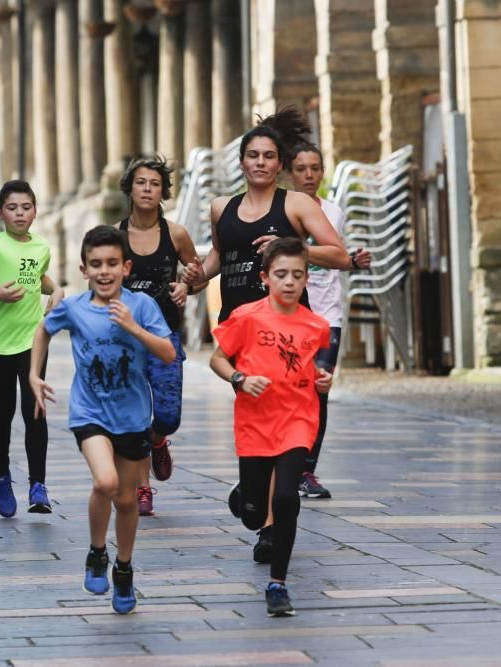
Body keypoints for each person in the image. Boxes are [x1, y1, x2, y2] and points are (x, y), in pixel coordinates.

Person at [181, 106, 350, 564]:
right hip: (243, 326)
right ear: (241, 162)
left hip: (289, 326)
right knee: (257, 420)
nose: (260, 162)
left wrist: (290, 251)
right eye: (252, 155)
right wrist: (193, 280)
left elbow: (338, 254)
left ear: (280, 164)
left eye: (269, 156)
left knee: (284, 419)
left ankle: (270, 529)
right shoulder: (222, 208)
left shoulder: (295, 204)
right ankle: (253, 494)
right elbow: (219, 257)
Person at [30, 225, 175, 615]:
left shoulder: (142, 305)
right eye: (96, 265)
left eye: (112, 263)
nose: (105, 271)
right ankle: (97, 551)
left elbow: (166, 354)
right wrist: (34, 374)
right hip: (89, 412)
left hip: (131, 417)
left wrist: (132, 327)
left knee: (127, 500)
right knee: (105, 482)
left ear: (126, 267)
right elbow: (43, 329)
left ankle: (123, 568)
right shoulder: (74, 307)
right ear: (84, 269)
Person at [209, 237, 333, 616]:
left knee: (285, 502)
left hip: (298, 419)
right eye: (281, 274)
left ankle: (277, 584)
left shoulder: (316, 325)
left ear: (307, 279)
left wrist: (321, 379)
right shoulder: (246, 317)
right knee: (252, 514)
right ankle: (245, 494)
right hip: (255, 423)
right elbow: (217, 360)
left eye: (298, 274)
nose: (290, 282)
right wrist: (240, 379)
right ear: (265, 277)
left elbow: (311, 367)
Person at [0, 180, 63, 517]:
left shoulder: (42, 247)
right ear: (0, 212)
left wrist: (56, 292)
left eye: (26, 207)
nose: (20, 213)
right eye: (13, 208)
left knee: (35, 409)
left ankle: (38, 484)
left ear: (35, 210)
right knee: (2, 412)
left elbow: (37, 277)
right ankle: (1, 474)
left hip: (33, 340)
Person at [116, 156, 202, 516]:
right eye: (141, 183)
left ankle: (159, 440)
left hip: (165, 337)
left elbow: (197, 277)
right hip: (124, 342)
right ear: (130, 189)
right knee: (133, 418)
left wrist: (185, 286)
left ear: (163, 191)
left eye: (154, 183)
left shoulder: (176, 234)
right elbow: (99, 281)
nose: (147, 189)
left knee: (168, 416)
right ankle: (142, 489)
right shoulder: (115, 236)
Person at [288, 143, 371, 499]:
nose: (309, 175)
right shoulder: (283, 211)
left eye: (315, 168)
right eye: (302, 168)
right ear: (290, 172)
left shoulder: (334, 212)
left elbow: (336, 254)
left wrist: (354, 259)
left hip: (327, 315)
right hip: (292, 315)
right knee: (292, 391)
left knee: (319, 389)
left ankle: (308, 471)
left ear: (323, 172)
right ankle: (284, 463)